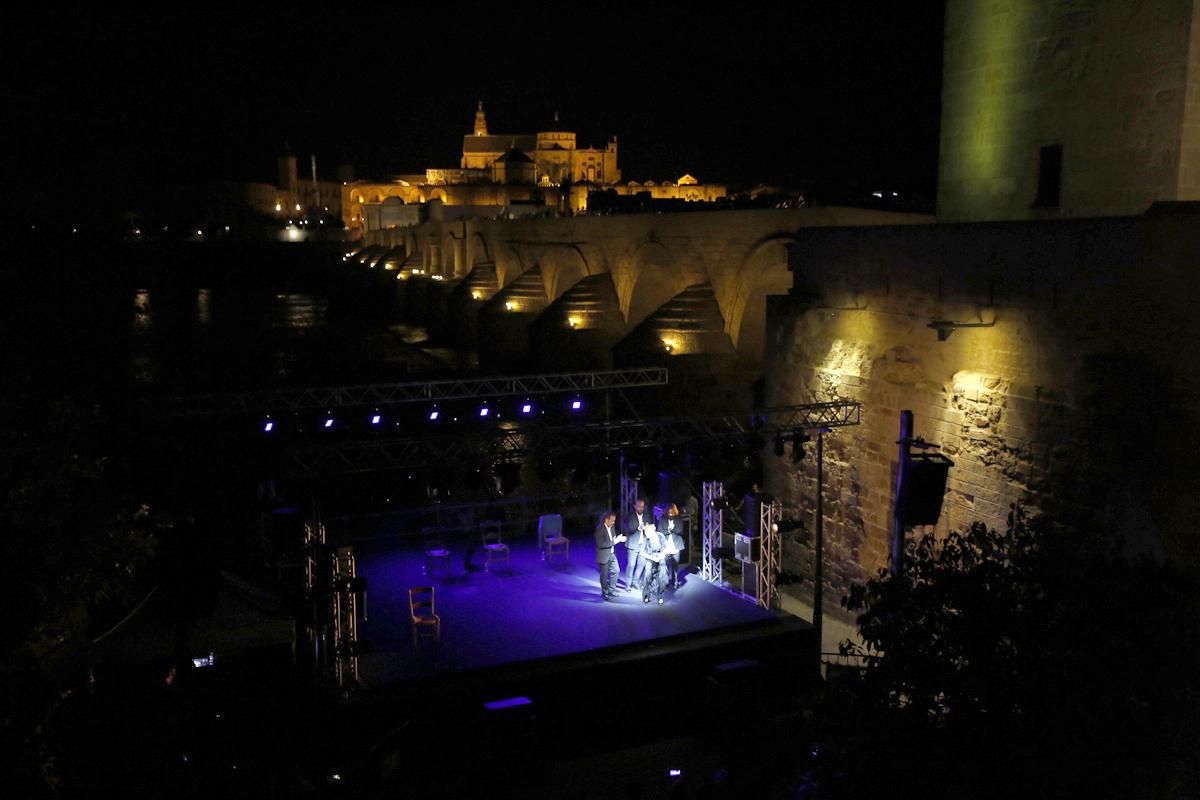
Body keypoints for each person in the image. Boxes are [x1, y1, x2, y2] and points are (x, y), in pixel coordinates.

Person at [593, 511, 625, 600]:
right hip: (603, 555)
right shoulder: (600, 529)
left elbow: (612, 538)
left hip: (612, 553)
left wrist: (618, 539)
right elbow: (600, 544)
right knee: (604, 575)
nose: (613, 522)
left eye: (614, 521)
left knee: (616, 570)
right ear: (606, 519)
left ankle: (611, 590)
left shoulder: (612, 527)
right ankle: (605, 592)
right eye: (612, 520)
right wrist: (615, 541)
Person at [623, 497, 650, 591]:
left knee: (642, 564)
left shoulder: (646, 515)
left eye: (642, 507)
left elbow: (649, 527)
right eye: (639, 506)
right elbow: (629, 529)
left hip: (643, 544)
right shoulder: (629, 516)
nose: (641, 508)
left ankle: (635, 581)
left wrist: (650, 528)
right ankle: (628, 584)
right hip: (633, 545)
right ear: (635, 506)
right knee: (631, 565)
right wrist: (639, 527)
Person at [640, 521, 669, 605]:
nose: (647, 534)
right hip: (650, 557)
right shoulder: (646, 539)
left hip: (660, 557)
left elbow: (667, 547)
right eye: (646, 533)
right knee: (647, 576)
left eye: (648, 532)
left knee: (662, 577)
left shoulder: (660, 536)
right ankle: (646, 596)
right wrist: (653, 558)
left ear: (653, 530)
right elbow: (642, 552)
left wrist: (663, 554)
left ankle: (660, 597)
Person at [660, 503, 684, 589]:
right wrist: (668, 530)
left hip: (676, 545)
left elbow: (680, 530)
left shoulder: (678, 520)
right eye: (669, 512)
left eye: (672, 512)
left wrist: (673, 529)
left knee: (675, 564)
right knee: (665, 565)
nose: (670, 514)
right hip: (666, 546)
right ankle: (666, 582)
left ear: (675, 512)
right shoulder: (662, 519)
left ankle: (675, 581)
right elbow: (660, 531)